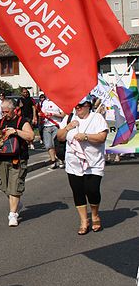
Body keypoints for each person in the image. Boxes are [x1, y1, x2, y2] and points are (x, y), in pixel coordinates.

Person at [56, 96, 108, 235]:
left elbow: (102, 137)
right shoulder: (69, 117)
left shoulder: (97, 118)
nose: (77, 108)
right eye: (76, 105)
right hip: (74, 163)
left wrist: (86, 136)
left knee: (92, 190)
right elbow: (60, 137)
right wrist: (68, 127)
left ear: (88, 105)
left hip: (93, 162)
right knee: (78, 191)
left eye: (80, 105)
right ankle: (84, 220)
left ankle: (95, 214)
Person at [0, 98, 34, 227]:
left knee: (15, 186)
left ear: (13, 110)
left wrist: (16, 131)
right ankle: (17, 203)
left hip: (17, 158)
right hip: (2, 158)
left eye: (6, 111)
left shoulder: (21, 121)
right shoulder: (0, 123)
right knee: (5, 187)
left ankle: (13, 215)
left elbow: (31, 136)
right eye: (2, 112)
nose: (4, 114)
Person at [40, 95, 65, 169]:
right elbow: (42, 113)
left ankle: (60, 160)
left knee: (56, 145)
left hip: (56, 125)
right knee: (48, 145)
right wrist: (42, 115)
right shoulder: (45, 102)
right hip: (47, 126)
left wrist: (53, 114)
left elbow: (63, 114)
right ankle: (53, 161)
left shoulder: (58, 101)